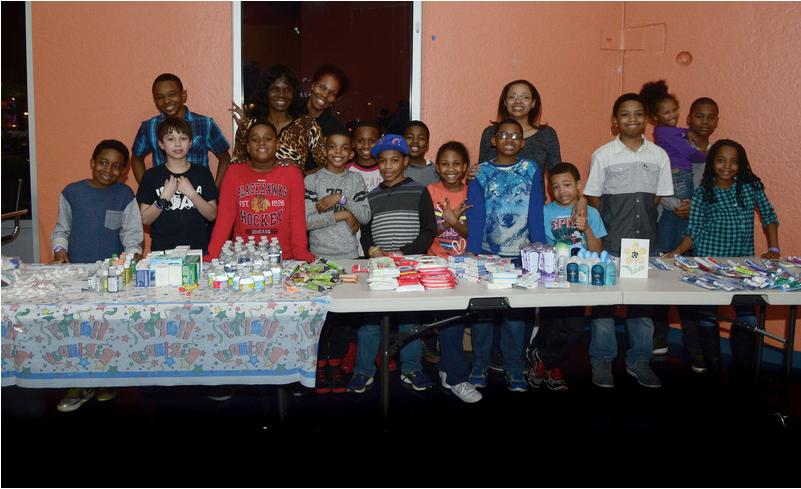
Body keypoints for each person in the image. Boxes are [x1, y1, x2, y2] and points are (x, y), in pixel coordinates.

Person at [664, 139, 780, 382]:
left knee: (747, 318)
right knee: (708, 316)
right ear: (711, 163)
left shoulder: (750, 187)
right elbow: (693, 232)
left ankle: (743, 373)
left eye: (734, 161)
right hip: (709, 266)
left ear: (741, 164)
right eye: (721, 160)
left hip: (743, 267)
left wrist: (774, 247)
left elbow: (769, 215)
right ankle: (714, 373)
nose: (727, 166)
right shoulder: (703, 194)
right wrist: (676, 252)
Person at [583, 93, 673, 389]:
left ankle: (639, 361)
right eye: (624, 114)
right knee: (604, 305)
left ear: (646, 119)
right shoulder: (603, 155)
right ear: (614, 121)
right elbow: (594, 198)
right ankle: (602, 360)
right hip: (611, 243)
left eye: (638, 114)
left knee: (641, 306)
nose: (631, 119)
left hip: (644, 245)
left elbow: (657, 199)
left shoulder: (659, 156)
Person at [50, 139, 144, 412]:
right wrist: (59, 251)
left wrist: (132, 256)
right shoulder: (72, 192)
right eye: (103, 163)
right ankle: (79, 384)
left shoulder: (125, 195)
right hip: (76, 275)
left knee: (106, 329)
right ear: (92, 162)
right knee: (78, 329)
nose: (108, 170)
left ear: (124, 172)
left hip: (111, 278)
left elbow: (132, 238)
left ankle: (104, 380)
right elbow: (61, 230)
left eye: (116, 167)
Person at [347, 134, 437, 394]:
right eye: (382, 161)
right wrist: (374, 251)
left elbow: (429, 231)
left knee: (410, 321)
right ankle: (363, 371)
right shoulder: (371, 196)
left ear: (405, 161)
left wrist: (403, 252)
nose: (387, 166)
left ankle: (411, 367)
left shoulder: (420, 191)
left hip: (410, 265)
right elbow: (365, 233)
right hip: (380, 266)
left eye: (394, 160)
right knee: (370, 323)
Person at [465, 119, 546, 393]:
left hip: (522, 257)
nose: (509, 139)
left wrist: (541, 249)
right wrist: (472, 254)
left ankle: (514, 366)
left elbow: (536, 211)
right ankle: (479, 365)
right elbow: (475, 217)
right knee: (483, 317)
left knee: (516, 317)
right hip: (488, 257)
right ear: (493, 140)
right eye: (503, 135)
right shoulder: (480, 173)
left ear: (523, 142)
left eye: (516, 135)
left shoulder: (531, 169)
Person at [527, 162, 607, 391]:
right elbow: (539, 244)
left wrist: (587, 228)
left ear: (578, 184)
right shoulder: (545, 211)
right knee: (551, 323)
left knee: (573, 326)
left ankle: (540, 358)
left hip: (579, 279)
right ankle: (550, 365)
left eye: (567, 185)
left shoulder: (591, 212)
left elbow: (597, 251)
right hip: (552, 277)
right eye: (556, 186)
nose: (562, 191)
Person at [304, 130, 371, 393]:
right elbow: (308, 221)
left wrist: (342, 199)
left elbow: (365, 216)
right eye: (333, 147)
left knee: (344, 318)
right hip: (319, 256)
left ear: (351, 154)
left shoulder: (355, 180)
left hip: (350, 257)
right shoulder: (312, 180)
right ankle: (319, 367)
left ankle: (336, 366)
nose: (338, 152)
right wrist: (342, 214)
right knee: (321, 318)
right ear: (325, 150)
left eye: (344, 148)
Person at [207, 119, 314, 261]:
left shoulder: (292, 173)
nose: (262, 143)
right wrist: (213, 254)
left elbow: (297, 218)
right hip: (244, 258)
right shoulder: (234, 172)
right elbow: (224, 219)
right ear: (248, 147)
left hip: (283, 257)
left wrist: (301, 252)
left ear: (277, 145)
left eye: (268, 139)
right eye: (255, 139)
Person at [424, 141, 481, 403]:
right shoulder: (430, 191)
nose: (450, 169)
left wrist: (455, 222)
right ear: (437, 167)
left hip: (467, 265)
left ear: (465, 167)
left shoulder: (474, 192)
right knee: (450, 319)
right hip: (437, 265)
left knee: (462, 320)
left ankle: (448, 368)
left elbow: (476, 233)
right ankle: (458, 378)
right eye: (445, 164)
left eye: (456, 164)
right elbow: (425, 234)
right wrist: (445, 221)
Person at [131, 73, 231, 189]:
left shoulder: (205, 124)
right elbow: (136, 158)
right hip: (164, 199)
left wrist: (215, 190)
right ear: (155, 101)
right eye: (160, 97)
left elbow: (225, 158)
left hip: (199, 199)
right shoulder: (149, 127)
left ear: (183, 96)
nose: (167, 101)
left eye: (172, 94)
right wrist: (147, 188)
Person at [136, 117, 218, 255]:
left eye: (183, 138)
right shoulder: (151, 176)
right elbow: (145, 219)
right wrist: (164, 197)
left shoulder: (202, 174)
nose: (178, 144)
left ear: (190, 142)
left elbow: (212, 215)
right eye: (171, 139)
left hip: (198, 251)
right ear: (161, 144)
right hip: (162, 252)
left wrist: (192, 194)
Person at [230, 64, 326, 173]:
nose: (281, 95)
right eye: (275, 89)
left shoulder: (307, 125)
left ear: (294, 93)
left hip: (294, 189)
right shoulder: (248, 126)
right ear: (266, 92)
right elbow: (235, 165)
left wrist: (303, 175)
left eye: (287, 90)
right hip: (255, 188)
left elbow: (328, 165)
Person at [478, 79, 561, 199]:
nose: (518, 101)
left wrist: (578, 200)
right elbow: (480, 175)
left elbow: (559, 176)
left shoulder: (546, 135)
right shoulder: (490, 133)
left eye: (525, 97)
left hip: (534, 209)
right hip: (495, 207)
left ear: (533, 103)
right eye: (513, 97)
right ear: (505, 102)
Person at [302, 64, 350, 173]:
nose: (324, 95)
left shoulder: (336, 131)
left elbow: (334, 165)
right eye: (322, 87)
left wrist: (303, 177)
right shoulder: (290, 113)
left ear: (335, 99)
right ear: (313, 85)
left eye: (332, 93)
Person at [345, 120, 384, 196]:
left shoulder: (386, 169)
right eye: (361, 141)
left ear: (379, 143)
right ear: (353, 143)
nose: (366, 146)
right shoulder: (346, 170)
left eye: (372, 141)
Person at [402, 120, 440, 187]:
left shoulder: (436, 172)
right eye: (410, 137)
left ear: (427, 144)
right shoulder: (396, 169)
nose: (415, 141)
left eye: (421, 138)